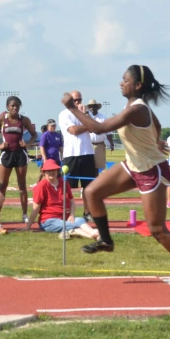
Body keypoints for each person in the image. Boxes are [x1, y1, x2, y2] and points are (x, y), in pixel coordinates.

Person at [59, 64, 170, 288]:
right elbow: (155, 124)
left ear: (137, 85)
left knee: (156, 229)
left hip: (150, 169)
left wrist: (72, 108)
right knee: (92, 192)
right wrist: (154, 139)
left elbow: (100, 128)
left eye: (125, 80)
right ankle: (106, 240)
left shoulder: (136, 109)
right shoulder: (135, 107)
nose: (121, 83)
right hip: (133, 165)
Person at [0, 96, 37, 223]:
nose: (15, 108)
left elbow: (34, 134)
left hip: (20, 154)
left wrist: (28, 143)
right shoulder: (1, 120)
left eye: (17, 106)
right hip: (6, 154)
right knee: (2, 185)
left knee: (22, 185)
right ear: (7, 107)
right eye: (12, 106)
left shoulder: (24, 120)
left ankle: (25, 214)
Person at [23, 159, 100, 239]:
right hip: (48, 221)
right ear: (43, 173)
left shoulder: (64, 183)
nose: (51, 172)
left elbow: (72, 203)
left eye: (54, 170)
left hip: (65, 217)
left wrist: (71, 215)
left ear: (57, 171)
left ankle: (93, 233)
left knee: (79, 220)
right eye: (48, 170)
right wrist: (28, 226)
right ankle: (92, 236)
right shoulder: (41, 186)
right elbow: (36, 208)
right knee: (68, 225)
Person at [59, 90, 97, 222]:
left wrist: (86, 114)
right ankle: (67, 213)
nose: (77, 103)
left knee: (89, 187)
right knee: (67, 187)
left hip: (87, 153)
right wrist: (88, 125)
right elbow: (74, 130)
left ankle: (88, 213)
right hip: (71, 154)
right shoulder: (64, 114)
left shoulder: (86, 113)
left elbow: (95, 127)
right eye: (74, 100)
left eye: (79, 100)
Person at [86, 99, 115, 171]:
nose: (92, 108)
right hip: (87, 145)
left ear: (97, 107)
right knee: (88, 167)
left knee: (99, 167)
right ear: (89, 108)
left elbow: (108, 132)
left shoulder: (103, 117)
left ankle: (96, 180)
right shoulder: (85, 117)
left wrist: (111, 144)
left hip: (99, 145)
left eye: (94, 106)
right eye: (90, 106)